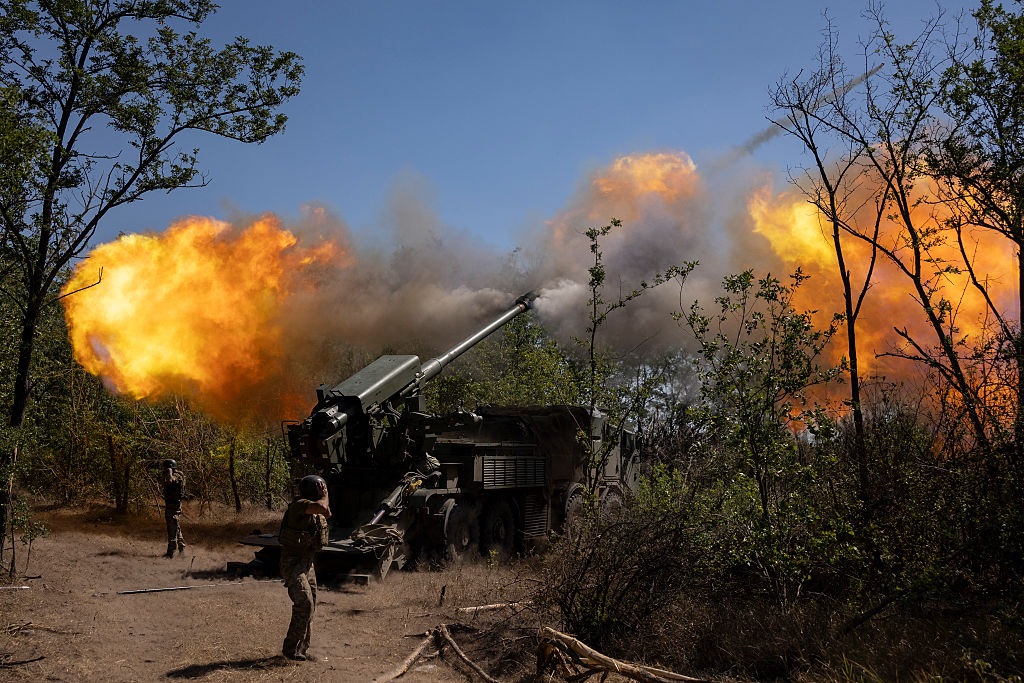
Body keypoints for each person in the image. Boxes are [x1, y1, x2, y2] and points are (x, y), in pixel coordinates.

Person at [278, 474, 331, 662]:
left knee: (311, 605)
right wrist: (325, 494)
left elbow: (327, 513)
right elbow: (323, 508)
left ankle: (302, 649)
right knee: (305, 604)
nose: (324, 491)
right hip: (293, 564)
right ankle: (290, 649)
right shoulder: (300, 505)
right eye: (321, 488)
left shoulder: (313, 508)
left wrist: (323, 497)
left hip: (307, 563)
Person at [161, 459, 186, 558]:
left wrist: (169, 472)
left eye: (165, 467)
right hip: (172, 505)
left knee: (172, 530)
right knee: (176, 528)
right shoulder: (178, 475)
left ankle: (170, 552)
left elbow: (171, 480)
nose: (163, 469)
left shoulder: (176, 476)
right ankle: (182, 548)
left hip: (173, 506)